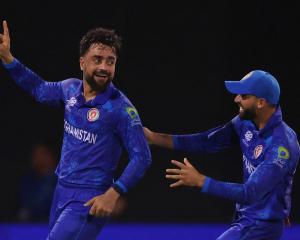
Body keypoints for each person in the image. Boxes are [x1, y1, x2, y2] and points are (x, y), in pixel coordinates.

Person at [0, 21, 151, 239]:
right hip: (61, 191)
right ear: (82, 62)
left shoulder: (122, 109)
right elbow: (40, 90)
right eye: (97, 59)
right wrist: (8, 59)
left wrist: (113, 194)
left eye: (111, 61)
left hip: (90, 198)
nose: (104, 67)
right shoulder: (69, 88)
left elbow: (142, 157)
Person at [144, 70, 299, 240]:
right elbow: (208, 141)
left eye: (244, 95)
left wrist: (201, 181)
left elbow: (250, 192)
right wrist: (154, 138)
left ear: (261, 102)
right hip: (248, 220)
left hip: (259, 226)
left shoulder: (281, 145)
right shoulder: (246, 122)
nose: (236, 99)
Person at [17, 143, 57, 222]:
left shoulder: (62, 178)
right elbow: (28, 205)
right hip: (34, 223)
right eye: (36, 155)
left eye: (42, 154)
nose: (39, 158)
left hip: (57, 222)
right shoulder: (28, 180)